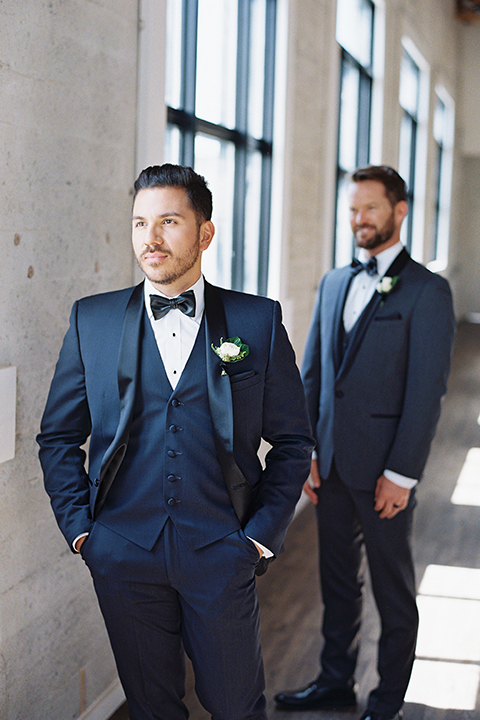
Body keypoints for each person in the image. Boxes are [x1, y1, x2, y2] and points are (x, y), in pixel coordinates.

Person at [38, 163, 314, 720]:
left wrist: (259, 537)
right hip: (121, 551)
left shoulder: (255, 321)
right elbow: (59, 436)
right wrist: (81, 532)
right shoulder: (92, 320)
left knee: (236, 705)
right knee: (150, 705)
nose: (152, 239)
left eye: (169, 221)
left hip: (221, 550)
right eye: (141, 223)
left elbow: (292, 440)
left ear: (205, 233)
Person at [274, 165, 455, 720]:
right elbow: (314, 376)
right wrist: (304, 449)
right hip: (327, 465)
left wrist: (401, 474)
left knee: (393, 591)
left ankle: (387, 699)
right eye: (353, 209)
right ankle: (334, 680)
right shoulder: (333, 282)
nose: (358, 219)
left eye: (370, 208)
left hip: (383, 474)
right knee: (337, 585)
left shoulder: (428, 291)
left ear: (399, 211)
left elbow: (427, 391)